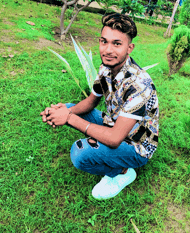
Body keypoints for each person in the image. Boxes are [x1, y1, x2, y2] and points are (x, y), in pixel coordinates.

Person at [40, 14, 159, 200]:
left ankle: (123, 172)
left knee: (80, 153)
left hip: (136, 145)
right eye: (104, 42)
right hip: (114, 124)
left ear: (130, 48)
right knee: (71, 107)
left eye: (117, 44)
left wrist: (69, 118)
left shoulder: (139, 85)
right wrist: (64, 111)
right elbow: (90, 101)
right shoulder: (106, 68)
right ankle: (108, 155)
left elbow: (114, 139)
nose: (108, 50)